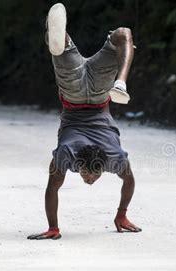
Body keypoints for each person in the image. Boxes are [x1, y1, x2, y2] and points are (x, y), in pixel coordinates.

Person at [28, 3, 142, 240]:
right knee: (123, 35)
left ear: (78, 166)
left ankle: (119, 81)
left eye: (85, 176)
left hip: (98, 93)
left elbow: (53, 189)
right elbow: (51, 189)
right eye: (92, 176)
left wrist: (54, 229)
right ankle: (60, 38)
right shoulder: (68, 155)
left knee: (123, 35)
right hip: (76, 94)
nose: (89, 179)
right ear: (102, 168)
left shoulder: (113, 158)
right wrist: (121, 214)